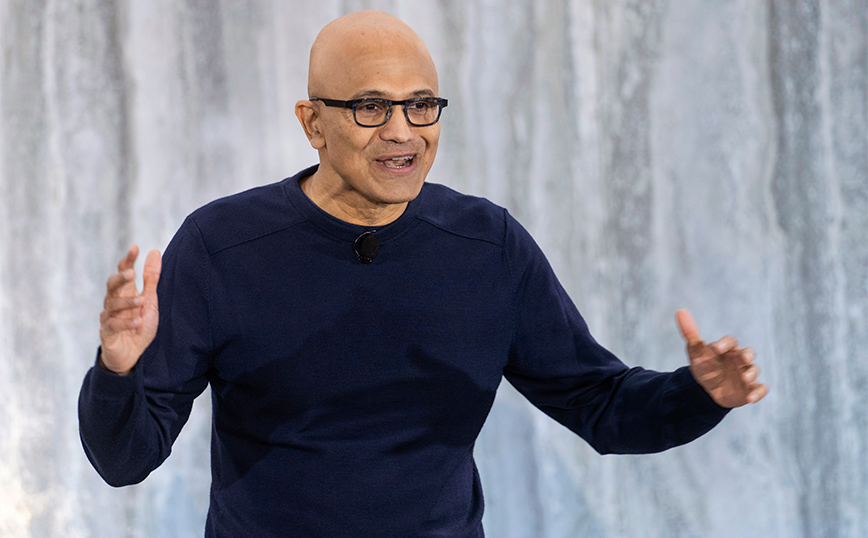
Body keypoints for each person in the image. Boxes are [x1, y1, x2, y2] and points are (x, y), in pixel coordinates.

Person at [79, 10, 767, 538]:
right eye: (371, 107)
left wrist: (699, 394)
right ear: (313, 124)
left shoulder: (487, 246)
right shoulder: (222, 246)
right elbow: (124, 460)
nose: (404, 131)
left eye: (421, 104)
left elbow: (601, 405)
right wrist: (117, 370)